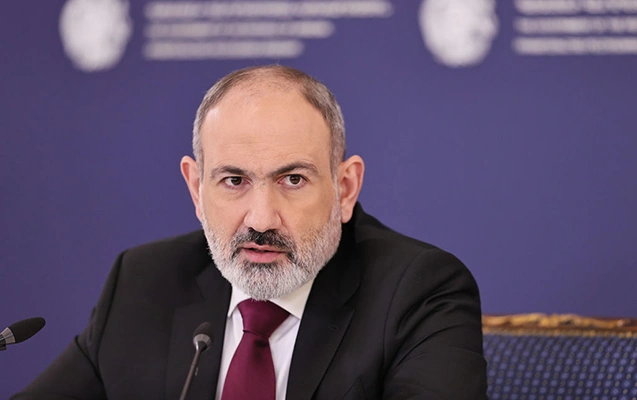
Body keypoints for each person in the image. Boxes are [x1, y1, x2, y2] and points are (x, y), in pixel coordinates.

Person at [13, 65, 487, 399]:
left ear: (345, 188)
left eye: (292, 180)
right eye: (234, 180)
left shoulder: (419, 290)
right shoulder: (142, 281)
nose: (261, 219)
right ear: (196, 188)